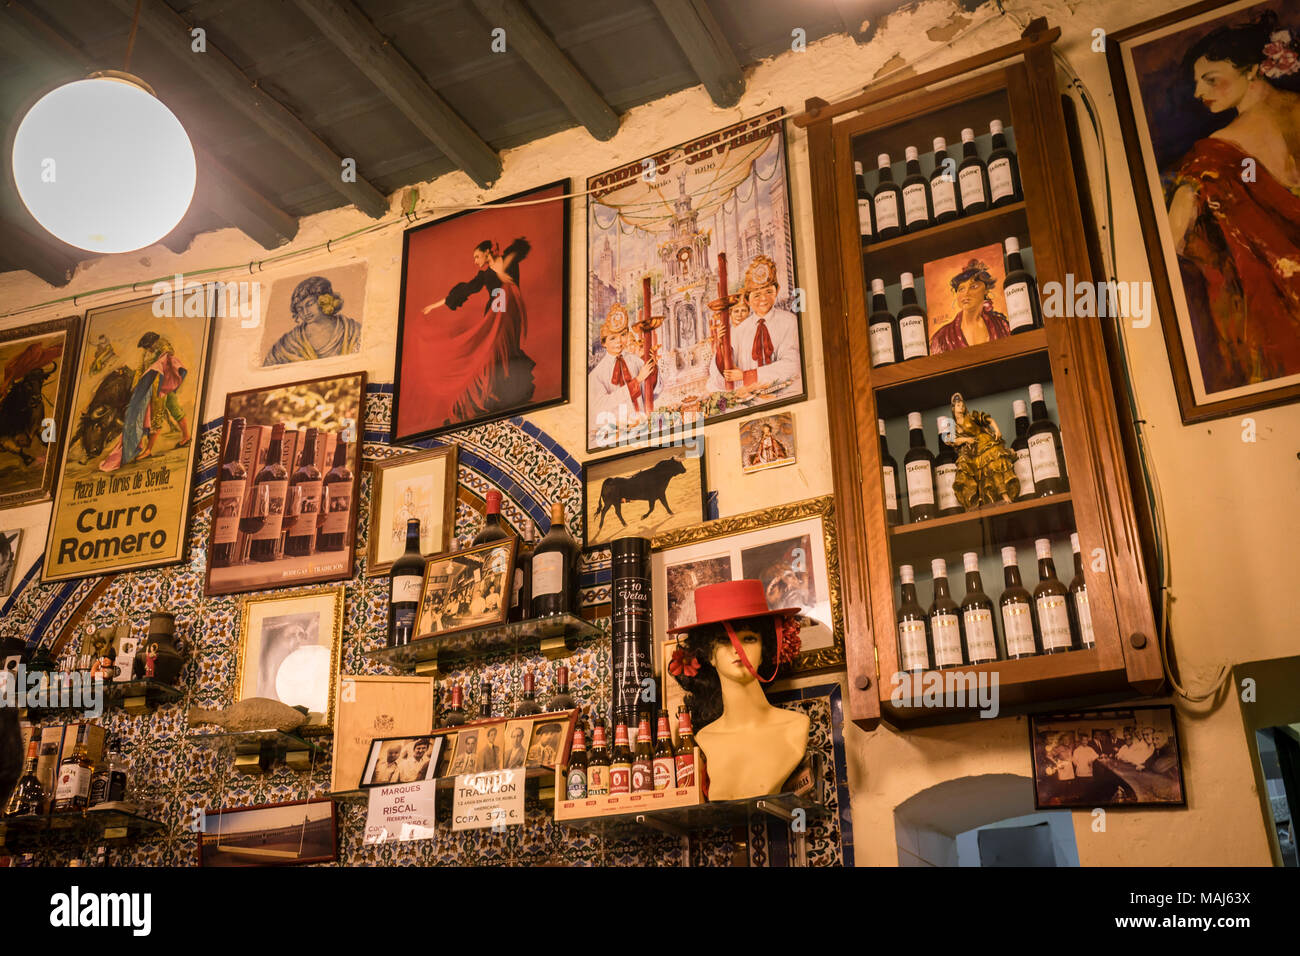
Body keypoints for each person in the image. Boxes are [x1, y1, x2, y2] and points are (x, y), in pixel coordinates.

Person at [1165, 13, 1300, 393]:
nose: (1197, 93)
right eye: (1195, 82)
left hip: (1277, 316)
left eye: (1209, 79)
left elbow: (1173, 240)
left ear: (1255, 68)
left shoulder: (1214, 157)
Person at [668, 579, 808, 801]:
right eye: (725, 641)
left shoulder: (795, 728)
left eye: (749, 639)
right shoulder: (704, 738)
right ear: (709, 655)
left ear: (765, 650)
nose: (737, 649)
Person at [418, 238, 535, 424]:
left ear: (487, 251)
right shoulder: (484, 275)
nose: (475, 261)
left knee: (502, 349)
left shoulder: (506, 260)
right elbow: (464, 290)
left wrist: (502, 271)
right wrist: (434, 305)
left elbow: (519, 249)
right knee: (489, 352)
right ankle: (489, 395)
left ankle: (502, 391)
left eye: (477, 256)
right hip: (494, 313)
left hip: (507, 312)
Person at [705, 256, 801, 394]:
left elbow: (792, 365)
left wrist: (748, 376)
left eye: (769, 292)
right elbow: (722, 379)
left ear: (777, 290)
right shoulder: (739, 331)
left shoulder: (789, 322)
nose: (763, 299)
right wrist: (721, 349)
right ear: (747, 300)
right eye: (756, 295)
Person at [99, 332, 189, 472]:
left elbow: (167, 357)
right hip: (152, 389)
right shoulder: (146, 354)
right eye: (146, 347)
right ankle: (180, 438)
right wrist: (136, 387)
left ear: (153, 343)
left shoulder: (163, 349)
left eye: (148, 346)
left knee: (161, 415)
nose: (147, 349)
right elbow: (141, 369)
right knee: (166, 412)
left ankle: (151, 449)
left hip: (162, 387)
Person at [263, 276, 362, 365]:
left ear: (324, 300)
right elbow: (268, 367)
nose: (305, 312)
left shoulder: (352, 331)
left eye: (309, 304)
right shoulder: (290, 342)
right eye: (300, 309)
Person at [587, 304, 658, 427]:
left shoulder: (634, 360)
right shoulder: (597, 375)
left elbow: (652, 388)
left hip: (642, 423)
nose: (619, 342)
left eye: (623, 335)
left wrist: (653, 366)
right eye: (613, 338)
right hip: (616, 430)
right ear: (604, 343)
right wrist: (637, 381)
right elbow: (602, 405)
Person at [948, 392, 1018, 507]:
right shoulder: (952, 425)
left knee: (994, 466)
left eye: (962, 404)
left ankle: (1005, 495)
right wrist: (966, 440)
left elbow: (989, 420)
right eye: (958, 405)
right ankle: (980, 501)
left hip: (985, 443)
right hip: (972, 452)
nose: (961, 406)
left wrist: (997, 431)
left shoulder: (971, 416)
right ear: (953, 408)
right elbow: (950, 440)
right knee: (978, 475)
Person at [928, 259, 1011, 352]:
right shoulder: (942, 338)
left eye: (973, 287)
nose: (966, 293)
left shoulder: (1002, 326)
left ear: (986, 290)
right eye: (961, 289)